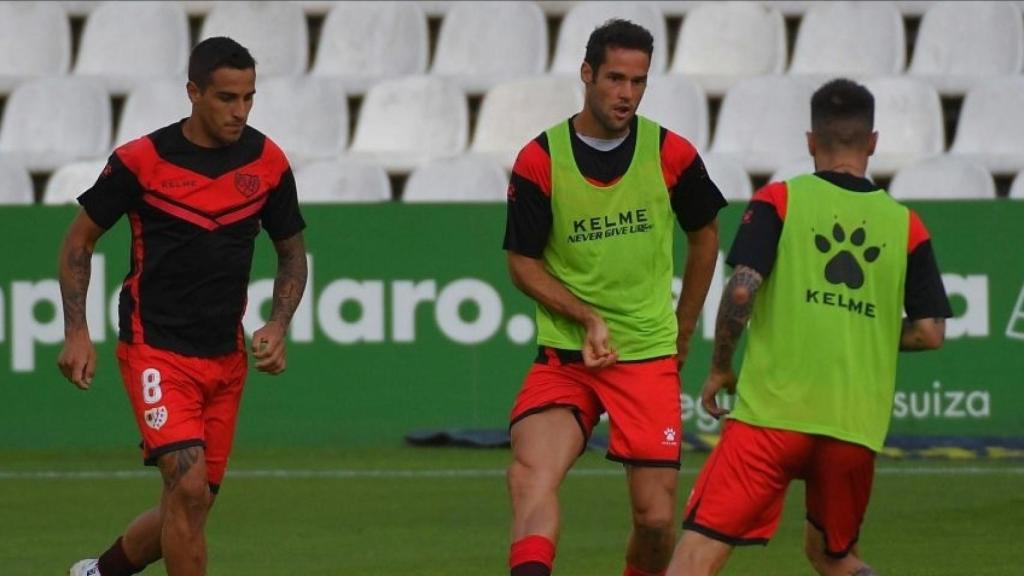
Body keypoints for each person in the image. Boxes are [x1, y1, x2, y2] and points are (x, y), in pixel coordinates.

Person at [665, 78, 953, 576]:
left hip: (771, 418)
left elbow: (740, 291)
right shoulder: (906, 225)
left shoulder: (780, 201)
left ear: (810, 141)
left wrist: (718, 367)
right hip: (853, 426)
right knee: (831, 556)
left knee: (694, 558)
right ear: (874, 142)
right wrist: (862, 329)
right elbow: (930, 332)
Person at [57, 37, 307, 576]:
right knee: (188, 490)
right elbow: (79, 242)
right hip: (156, 351)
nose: (239, 111)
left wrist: (278, 322)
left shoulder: (267, 162)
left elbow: (292, 253)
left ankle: (100, 572)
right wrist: (76, 331)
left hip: (225, 357)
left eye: (249, 98)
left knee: (189, 504)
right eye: (226, 98)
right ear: (193, 92)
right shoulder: (141, 161)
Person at [503, 19, 726, 576]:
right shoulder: (540, 159)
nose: (626, 94)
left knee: (654, 520)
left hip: (646, 357)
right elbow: (521, 263)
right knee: (530, 477)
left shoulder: (671, 153)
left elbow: (705, 238)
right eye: (614, 79)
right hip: (566, 359)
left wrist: (683, 328)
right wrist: (585, 317)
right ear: (586, 74)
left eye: (638, 81)